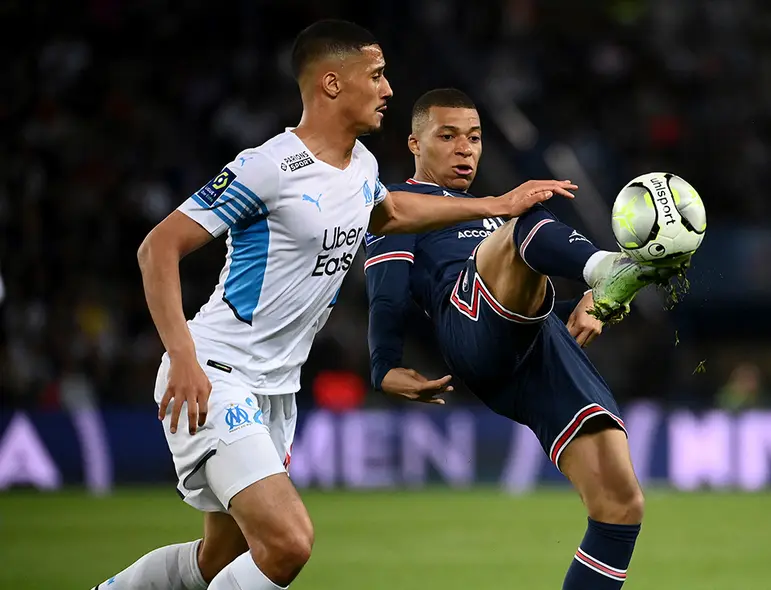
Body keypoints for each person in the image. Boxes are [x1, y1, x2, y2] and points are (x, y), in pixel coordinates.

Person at [95, 21, 574, 590]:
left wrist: (497, 203)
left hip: (276, 391)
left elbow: (392, 213)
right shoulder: (268, 166)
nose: (388, 89)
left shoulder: (362, 166)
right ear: (331, 83)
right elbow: (158, 248)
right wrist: (183, 357)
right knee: (288, 543)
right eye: (376, 76)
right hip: (217, 373)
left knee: (219, 561)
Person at [364, 88, 675, 590]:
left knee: (620, 506)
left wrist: (593, 303)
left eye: (474, 138)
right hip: (468, 323)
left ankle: (603, 281)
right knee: (524, 220)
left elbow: (533, 285)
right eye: (448, 136)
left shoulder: (491, 211)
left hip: (539, 343)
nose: (465, 149)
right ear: (415, 144)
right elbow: (386, 291)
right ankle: (607, 269)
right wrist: (384, 364)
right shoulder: (399, 205)